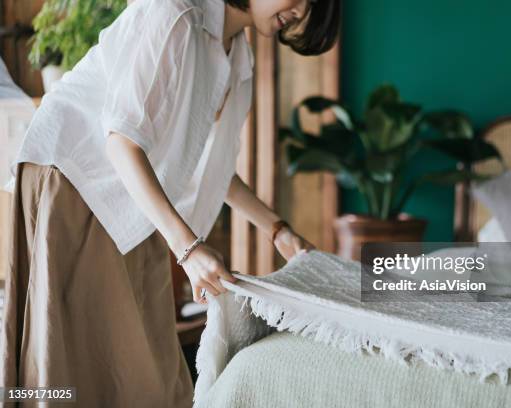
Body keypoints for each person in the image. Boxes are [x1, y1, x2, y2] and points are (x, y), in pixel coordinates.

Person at [0, 0, 341, 406]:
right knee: (76, 366)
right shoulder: (175, 12)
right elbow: (122, 141)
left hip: (134, 196)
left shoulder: (237, 56)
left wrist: (278, 231)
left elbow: (210, 168)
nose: (301, 11)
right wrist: (189, 248)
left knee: (151, 369)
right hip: (76, 180)